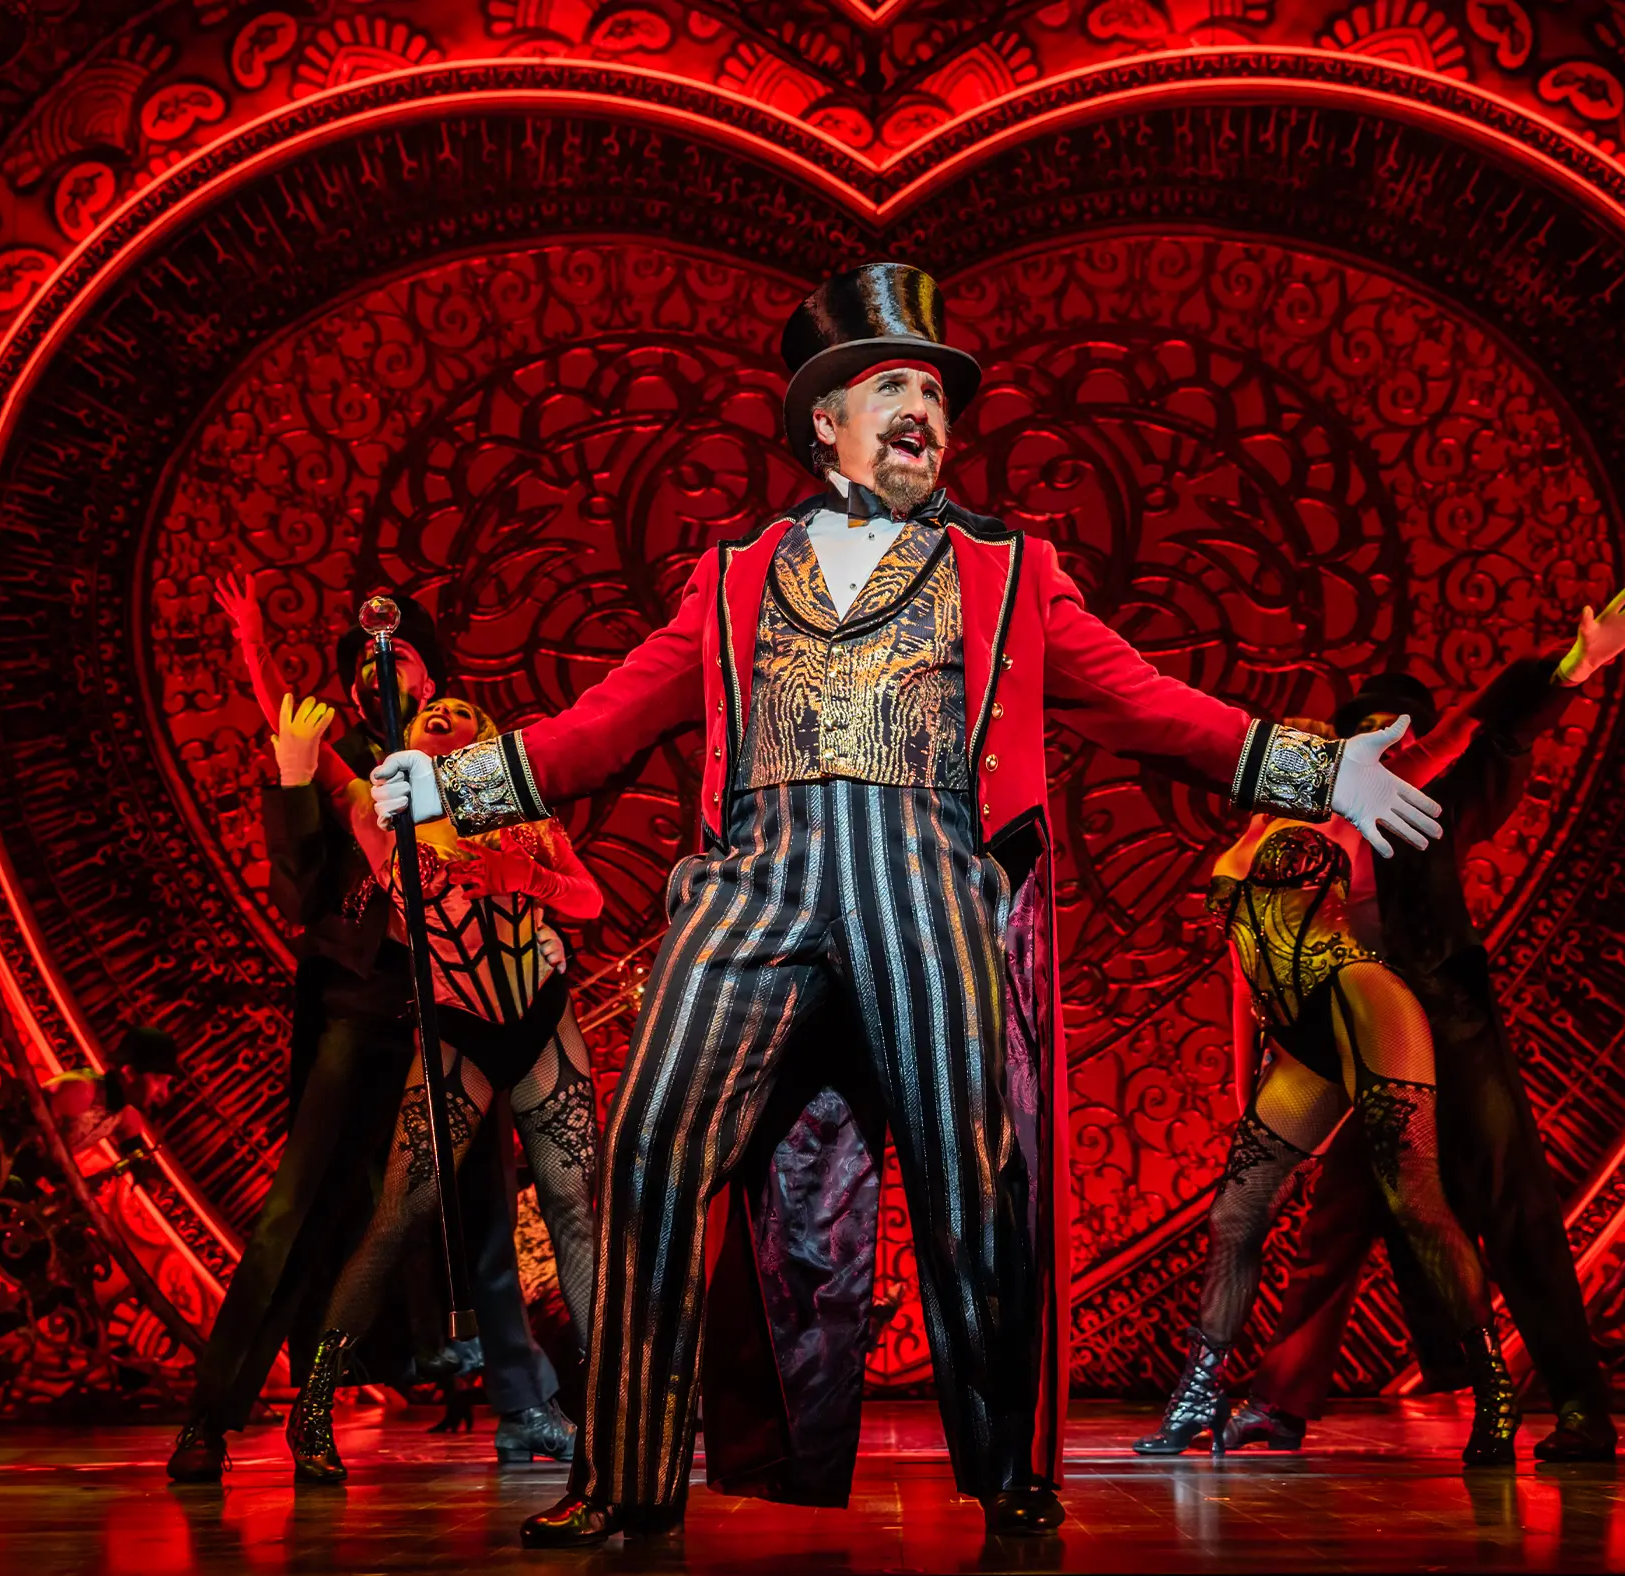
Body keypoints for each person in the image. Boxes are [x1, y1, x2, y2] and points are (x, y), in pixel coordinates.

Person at [366, 261, 1444, 1544]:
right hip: (752, 883)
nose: (920, 409)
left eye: (933, 390)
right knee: (650, 1150)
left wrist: (1318, 769)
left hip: (925, 875)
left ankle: (1010, 1478)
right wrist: (452, 785)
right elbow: (606, 723)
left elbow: (1152, 701)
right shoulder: (727, 576)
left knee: (972, 1174)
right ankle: (625, 1479)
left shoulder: (1006, 571)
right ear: (823, 417)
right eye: (891, 385)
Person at [1215, 592, 1625, 1462]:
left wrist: (1576, 666)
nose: (1388, 743)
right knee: (1337, 1227)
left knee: (1513, 1213)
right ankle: (1280, 1403)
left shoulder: (1433, 808)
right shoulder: (1291, 836)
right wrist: (1254, 1094)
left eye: (1400, 732)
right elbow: (1251, 970)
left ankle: (1577, 1408)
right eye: (1369, 732)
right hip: (1363, 1059)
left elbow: (1495, 732)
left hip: (1450, 1045)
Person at [166, 589, 575, 1480]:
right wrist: (285, 760)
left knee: (486, 1218)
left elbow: (554, 871)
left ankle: (523, 1407)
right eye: (362, 664)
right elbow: (304, 895)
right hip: (365, 1008)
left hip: (463, 1015)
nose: (379, 669)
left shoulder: (471, 761)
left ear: (434, 677)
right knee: (299, 1208)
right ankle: (215, 1415)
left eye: (399, 657)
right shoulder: (342, 764)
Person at [282, 688, 603, 1481]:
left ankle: (610, 1404)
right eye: (435, 710)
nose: (443, 712)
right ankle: (314, 1402)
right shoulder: (383, 813)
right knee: (398, 1215)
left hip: (537, 1021)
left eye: (463, 711)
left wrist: (523, 875)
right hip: (457, 1029)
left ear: (485, 739)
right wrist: (259, 663)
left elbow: (589, 900)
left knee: (573, 1209)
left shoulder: (520, 813)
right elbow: (321, 762)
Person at [1136, 805, 1517, 1465]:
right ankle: (1199, 1393)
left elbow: (1427, 762)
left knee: (1414, 1199)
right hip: (1295, 1036)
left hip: (1363, 1001)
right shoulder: (1245, 840)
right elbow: (1241, 975)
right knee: (1237, 1210)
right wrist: (1244, 1080)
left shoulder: (1345, 823)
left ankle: (1495, 1392)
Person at [45, 1025, 180, 1172]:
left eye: (168, 1084)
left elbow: (134, 1145)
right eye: (158, 1079)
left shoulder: (122, 1115)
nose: (164, 1093)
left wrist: (138, 1161)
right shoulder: (83, 1089)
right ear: (129, 1072)